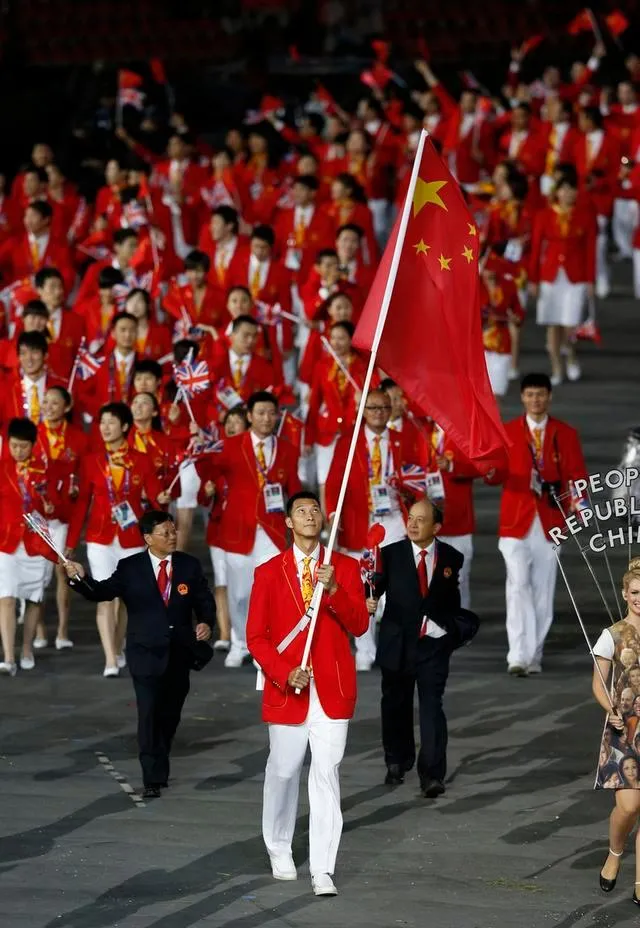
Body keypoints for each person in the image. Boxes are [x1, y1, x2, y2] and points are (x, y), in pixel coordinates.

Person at [246, 491, 368, 896]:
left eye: (315, 510)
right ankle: (278, 845)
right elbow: (256, 638)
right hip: (289, 691)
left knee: (326, 775)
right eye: (302, 510)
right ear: (289, 523)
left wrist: (333, 590)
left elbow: (360, 625)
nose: (310, 515)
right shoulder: (268, 572)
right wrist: (285, 673)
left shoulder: (344, 569)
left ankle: (322, 867)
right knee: (282, 772)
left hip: (332, 689)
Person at [63, 510, 215, 799]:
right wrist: (78, 578)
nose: (173, 537)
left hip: (180, 652)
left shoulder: (188, 565)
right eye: (165, 533)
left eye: (173, 532)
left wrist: (206, 622)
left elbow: (204, 600)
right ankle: (152, 777)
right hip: (145, 652)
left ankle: (161, 755)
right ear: (148, 538)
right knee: (147, 715)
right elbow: (101, 592)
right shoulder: (130, 567)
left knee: (169, 714)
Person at [367, 497, 478, 798]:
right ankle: (397, 760)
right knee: (395, 706)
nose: (412, 524)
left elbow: (451, 600)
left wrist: (449, 629)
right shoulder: (389, 554)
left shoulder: (451, 557)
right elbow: (372, 587)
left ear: (436, 526)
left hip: (432, 645)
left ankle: (432, 774)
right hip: (397, 644)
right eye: (410, 518)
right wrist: (368, 594)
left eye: (420, 519)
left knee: (431, 708)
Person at [489, 373, 587, 676]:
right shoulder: (507, 433)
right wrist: (490, 469)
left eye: (541, 394)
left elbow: (577, 475)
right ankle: (517, 655)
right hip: (515, 521)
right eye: (530, 394)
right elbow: (492, 475)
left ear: (549, 396)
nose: (536, 400)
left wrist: (579, 507)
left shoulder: (565, 434)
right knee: (517, 585)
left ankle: (534, 655)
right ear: (522, 397)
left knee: (543, 590)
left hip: (551, 519)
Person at [197, 390, 301, 667]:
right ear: (249, 416)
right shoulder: (231, 446)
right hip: (237, 530)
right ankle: (240, 641)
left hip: (273, 530)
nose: (266, 418)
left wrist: (301, 518)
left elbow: (294, 488)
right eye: (260, 413)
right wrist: (205, 481)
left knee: (267, 592)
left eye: (271, 413)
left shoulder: (287, 449)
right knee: (240, 593)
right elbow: (206, 471)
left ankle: (261, 646)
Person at [592, 565, 640, 902]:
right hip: (625, 728)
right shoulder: (612, 634)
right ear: (625, 594)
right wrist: (610, 709)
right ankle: (615, 852)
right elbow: (598, 682)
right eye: (635, 592)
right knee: (629, 805)